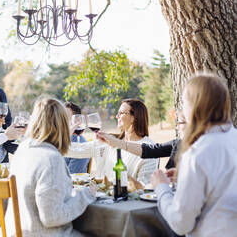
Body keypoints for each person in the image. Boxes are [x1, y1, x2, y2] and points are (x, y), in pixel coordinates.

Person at [151, 74, 237, 236]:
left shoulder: (198, 154)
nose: (182, 109)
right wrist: (185, 176)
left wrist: (161, 188)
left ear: (194, 105)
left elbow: (180, 222)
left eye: (184, 102)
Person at [3, 98, 96, 237]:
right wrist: (87, 194)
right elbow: (52, 217)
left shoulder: (23, 149)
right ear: (62, 126)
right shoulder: (51, 159)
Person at [96, 112, 187, 169]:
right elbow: (150, 150)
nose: (177, 127)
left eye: (180, 122)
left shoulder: (198, 150)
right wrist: (116, 142)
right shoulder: (178, 144)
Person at [64, 102, 90, 174]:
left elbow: (72, 178)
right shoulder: (56, 141)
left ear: (77, 120)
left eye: (65, 116)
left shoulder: (81, 148)